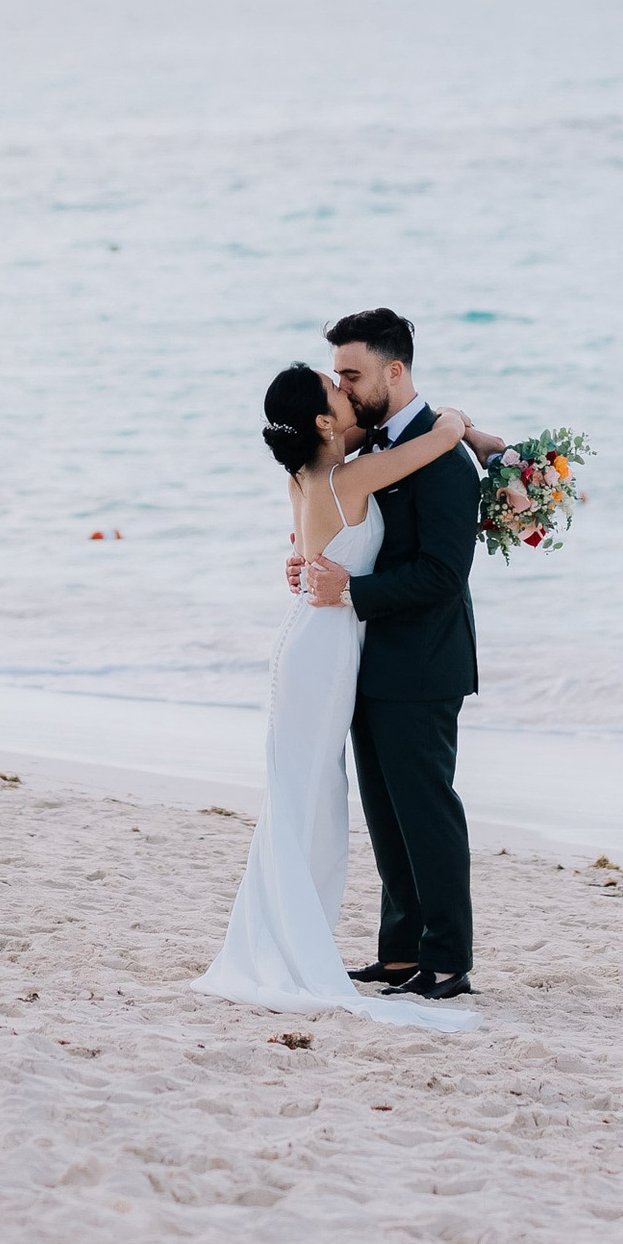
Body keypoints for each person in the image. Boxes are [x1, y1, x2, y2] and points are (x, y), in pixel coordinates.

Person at [194, 355, 501, 1014]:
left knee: (302, 794)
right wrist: (462, 425)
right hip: (329, 649)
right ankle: (303, 937)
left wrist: (304, 564)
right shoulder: (354, 475)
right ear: (322, 421)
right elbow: (441, 437)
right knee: (317, 797)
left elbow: (311, 548)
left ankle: (298, 935)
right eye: (337, 389)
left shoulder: (304, 476)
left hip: (309, 643)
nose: (346, 393)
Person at [300, 307, 488, 1002]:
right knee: (384, 814)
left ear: (395, 369)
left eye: (353, 374)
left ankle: (447, 959)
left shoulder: (443, 462)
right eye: (340, 376)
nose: (344, 389)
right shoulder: (379, 448)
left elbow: (444, 575)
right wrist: (320, 568)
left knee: (426, 812)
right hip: (366, 657)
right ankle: (401, 952)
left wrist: (353, 589)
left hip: (424, 663)